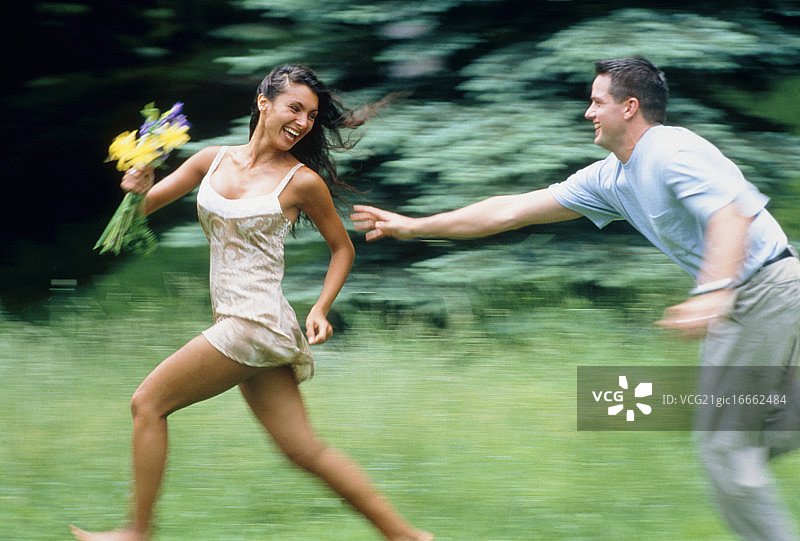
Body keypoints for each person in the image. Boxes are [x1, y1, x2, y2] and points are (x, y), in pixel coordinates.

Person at [351, 56, 800, 541]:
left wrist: (712, 293)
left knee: (726, 448)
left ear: (629, 108)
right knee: (760, 431)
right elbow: (511, 211)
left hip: (761, 291)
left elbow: (732, 215)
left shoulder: (672, 150)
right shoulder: (613, 177)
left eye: (597, 102)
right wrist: (415, 226)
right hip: (768, 291)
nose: (588, 112)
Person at [71, 64, 433, 541]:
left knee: (148, 404)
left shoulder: (301, 182)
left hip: (253, 323)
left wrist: (321, 307)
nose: (303, 122)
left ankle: (136, 532)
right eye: (295, 108)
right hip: (248, 327)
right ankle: (409, 537)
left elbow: (342, 248)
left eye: (311, 115)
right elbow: (139, 214)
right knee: (306, 452)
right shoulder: (211, 161)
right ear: (264, 102)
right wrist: (137, 188)